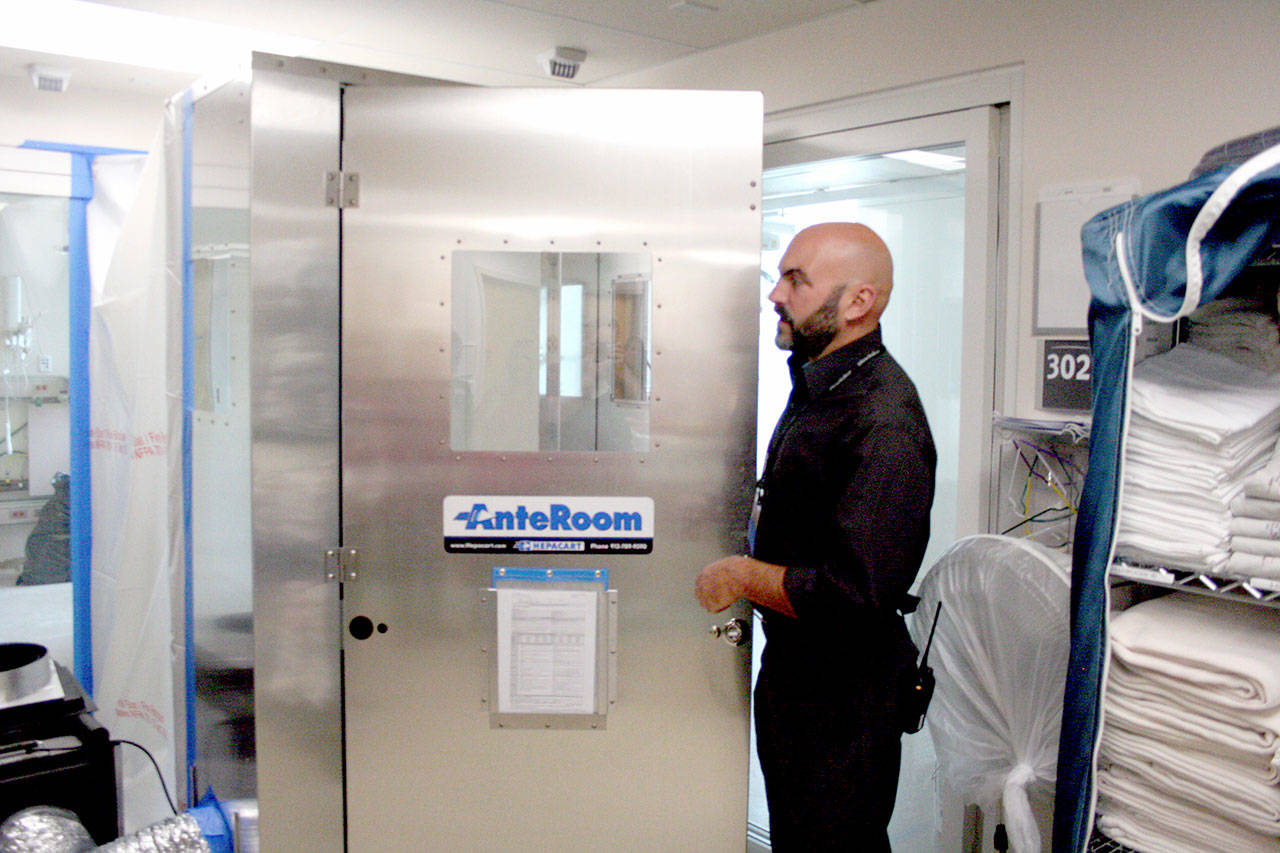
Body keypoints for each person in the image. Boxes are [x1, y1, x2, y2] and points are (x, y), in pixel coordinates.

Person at [695, 222, 936, 850]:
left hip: (845, 699)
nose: (776, 294)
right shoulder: (819, 387)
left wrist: (744, 576)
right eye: (780, 276)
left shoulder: (883, 420)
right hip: (797, 680)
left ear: (859, 303)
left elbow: (855, 592)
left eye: (796, 281)